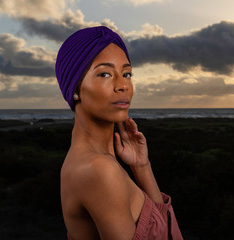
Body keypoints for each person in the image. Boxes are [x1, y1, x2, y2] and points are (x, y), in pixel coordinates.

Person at [55, 26, 183, 240]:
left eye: (126, 73)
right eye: (105, 74)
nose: (122, 85)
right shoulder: (99, 169)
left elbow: (163, 230)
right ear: (75, 88)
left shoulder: (91, 161)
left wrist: (142, 167)